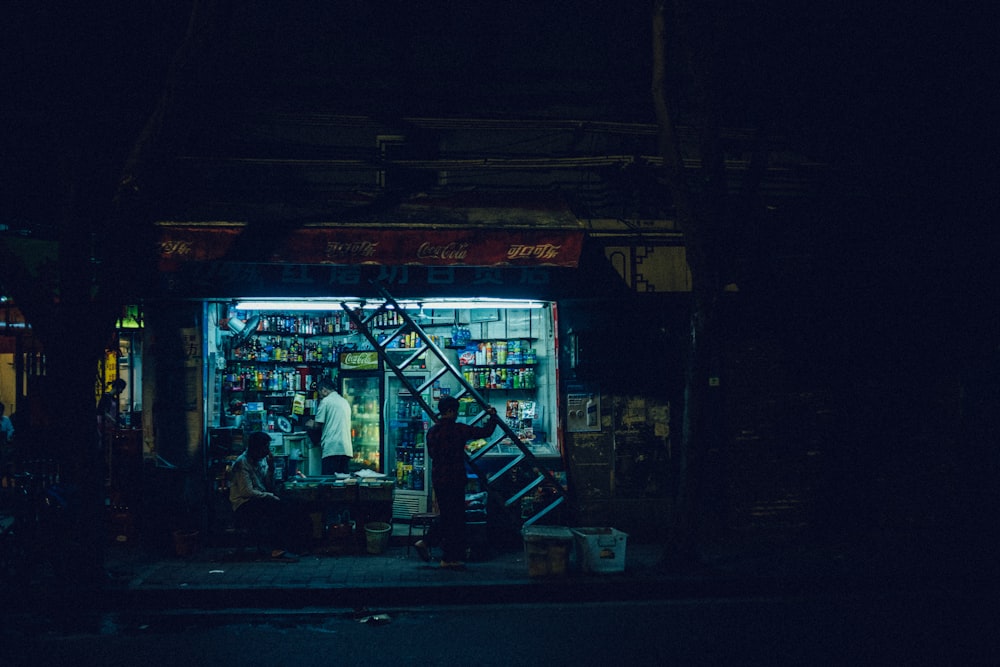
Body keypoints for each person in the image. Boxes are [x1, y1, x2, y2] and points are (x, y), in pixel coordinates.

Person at [415, 396, 499, 569]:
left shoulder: (432, 431)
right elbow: (485, 432)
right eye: (456, 411)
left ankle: (434, 546)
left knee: (448, 516)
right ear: (451, 411)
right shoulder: (458, 429)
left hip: (439, 478)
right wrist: (493, 416)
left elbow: (432, 454)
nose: (457, 414)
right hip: (455, 478)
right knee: (455, 518)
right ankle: (446, 556)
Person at [229, 431, 301, 562]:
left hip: (257, 499)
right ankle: (276, 549)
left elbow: (267, 484)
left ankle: (292, 546)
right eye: (265, 447)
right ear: (256, 448)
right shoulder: (242, 463)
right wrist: (269, 496)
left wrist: (271, 468)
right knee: (276, 508)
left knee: (291, 504)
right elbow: (247, 492)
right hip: (243, 505)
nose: (267, 451)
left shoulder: (260, 461)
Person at [306, 377, 353, 475]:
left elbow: (318, 424)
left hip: (331, 449)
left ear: (324, 390)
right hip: (346, 449)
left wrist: (310, 424)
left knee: (329, 482)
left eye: (320, 393)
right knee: (343, 483)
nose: (320, 396)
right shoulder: (344, 401)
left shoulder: (326, 401)